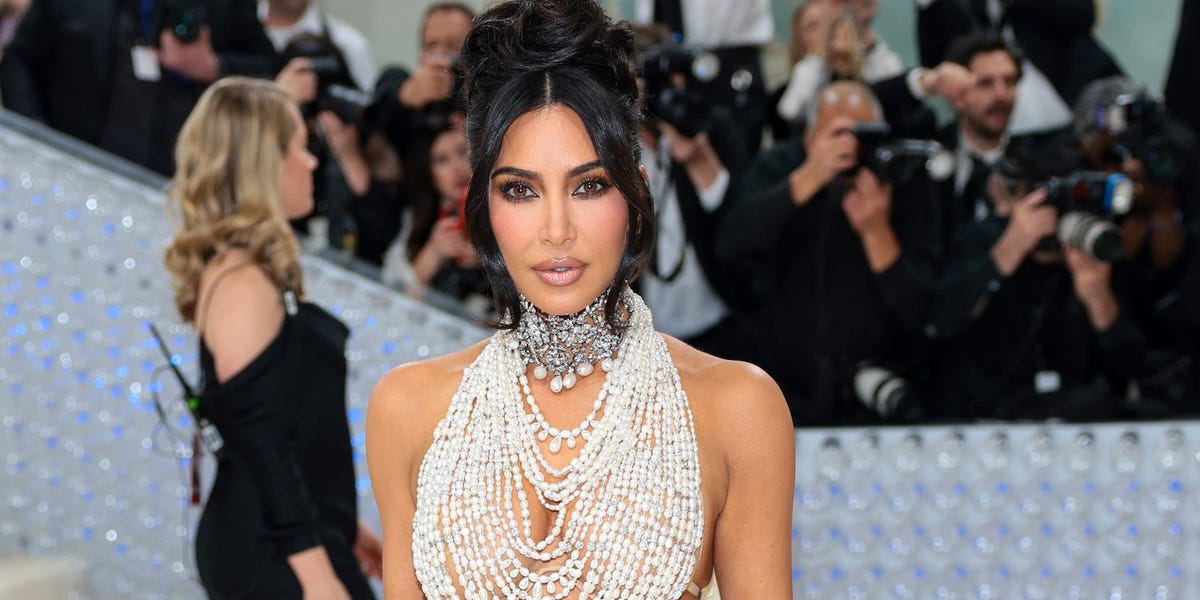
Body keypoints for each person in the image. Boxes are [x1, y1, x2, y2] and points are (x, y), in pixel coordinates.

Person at [365, 1, 794, 598]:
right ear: (482, 204)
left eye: (589, 186)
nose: (556, 230)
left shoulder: (737, 408)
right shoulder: (406, 411)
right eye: (521, 191)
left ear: (636, 192)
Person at [163, 77, 380, 599]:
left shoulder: (252, 274)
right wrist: (318, 576)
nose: (311, 161)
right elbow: (261, 445)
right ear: (265, 163)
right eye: (300, 146)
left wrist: (345, 529)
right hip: (272, 550)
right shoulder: (242, 283)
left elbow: (292, 424)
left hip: (293, 536)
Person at [717, 80, 942, 425]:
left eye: (865, 134)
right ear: (809, 139)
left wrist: (875, 230)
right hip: (789, 387)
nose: (851, 146)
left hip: (881, 389)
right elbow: (730, 244)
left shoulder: (902, 176)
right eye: (837, 134)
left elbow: (920, 310)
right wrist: (809, 177)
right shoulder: (782, 164)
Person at [0, 0, 276, 175]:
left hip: (175, 184)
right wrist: (36, 140)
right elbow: (19, 60)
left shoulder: (228, 6)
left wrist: (212, 67)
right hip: (74, 167)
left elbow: (269, 70)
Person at [915, 0, 1122, 135]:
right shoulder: (960, 8)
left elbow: (1083, 14)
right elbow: (939, 65)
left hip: (1071, 117)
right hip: (1003, 135)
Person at [379, 111, 490, 313]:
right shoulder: (418, 217)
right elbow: (389, 296)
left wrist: (491, 259)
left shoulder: (505, 212)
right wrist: (433, 252)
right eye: (442, 160)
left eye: (462, 152)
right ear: (429, 173)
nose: (457, 168)